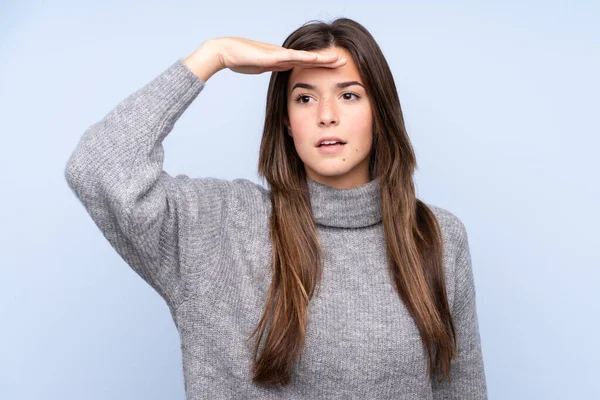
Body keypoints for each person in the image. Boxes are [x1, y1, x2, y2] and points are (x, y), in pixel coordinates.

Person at [64, 17, 488, 399]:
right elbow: (98, 167)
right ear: (286, 121)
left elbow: (462, 390)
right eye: (304, 98)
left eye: (349, 95)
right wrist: (213, 56)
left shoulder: (437, 236)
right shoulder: (219, 227)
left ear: (381, 113)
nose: (326, 115)